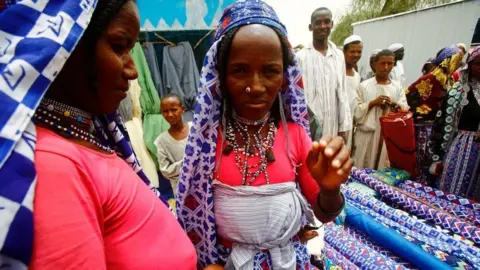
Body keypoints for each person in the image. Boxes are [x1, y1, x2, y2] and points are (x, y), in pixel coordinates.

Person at [0, 1, 198, 269]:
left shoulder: (88, 142)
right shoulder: (54, 165)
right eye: (118, 47)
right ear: (64, 46)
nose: (133, 70)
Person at [176, 1, 353, 269]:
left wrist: (330, 189)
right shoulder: (206, 143)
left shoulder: (296, 137)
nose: (256, 87)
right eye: (240, 71)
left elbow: (324, 212)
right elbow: (193, 220)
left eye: (270, 71)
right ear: (221, 76)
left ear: (285, 77)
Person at [406, 46, 463, 185]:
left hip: (438, 126)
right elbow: (408, 93)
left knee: (432, 159)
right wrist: (421, 109)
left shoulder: (449, 80)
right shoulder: (431, 78)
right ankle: (417, 186)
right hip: (425, 125)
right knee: (422, 158)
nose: (460, 63)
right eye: (458, 59)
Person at [296, 7, 352, 139]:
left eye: (327, 22)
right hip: (309, 128)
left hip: (333, 126)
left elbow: (342, 93)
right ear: (311, 27)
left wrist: (343, 128)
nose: (323, 26)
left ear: (332, 24)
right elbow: (297, 96)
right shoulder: (300, 57)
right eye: (318, 23)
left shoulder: (338, 56)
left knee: (330, 157)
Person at [353, 50, 409, 170]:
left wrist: (395, 104)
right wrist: (373, 103)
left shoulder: (397, 88)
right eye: (383, 63)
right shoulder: (364, 86)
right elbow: (356, 112)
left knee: (382, 167)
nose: (386, 67)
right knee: (363, 165)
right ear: (375, 64)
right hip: (367, 135)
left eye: (390, 64)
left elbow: (405, 111)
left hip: (387, 137)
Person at [437, 46, 480, 200]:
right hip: (462, 148)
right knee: (454, 189)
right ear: (469, 65)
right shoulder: (458, 91)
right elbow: (443, 125)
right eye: (478, 64)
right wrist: (438, 156)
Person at [154, 94, 190, 197]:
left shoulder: (195, 130)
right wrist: (188, 162)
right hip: (181, 189)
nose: (170, 114)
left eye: (174, 110)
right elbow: (165, 170)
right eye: (165, 111)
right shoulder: (161, 141)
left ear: (182, 109)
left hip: (204, 184)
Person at [343, 34, 363, 148]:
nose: (356, 55)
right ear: (344, 52)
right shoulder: (336, 73)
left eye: (359, 52)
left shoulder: (357, 76)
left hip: (351, 123)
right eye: (352, 51)